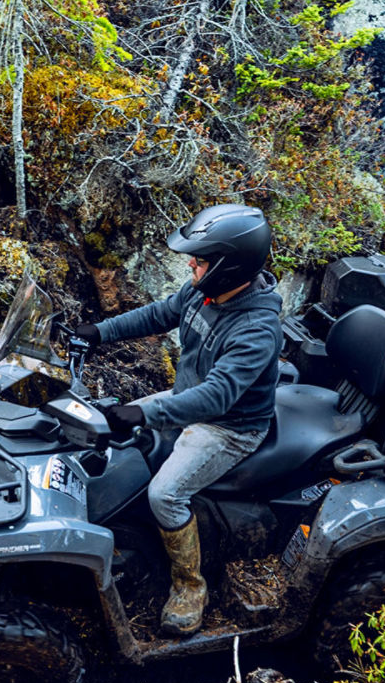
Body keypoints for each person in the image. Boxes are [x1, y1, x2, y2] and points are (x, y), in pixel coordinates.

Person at [71, 204, 282, 635]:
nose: (191, 265)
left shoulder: (256, 329)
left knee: (165, 495)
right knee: (108, 432)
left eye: (199, 260)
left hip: (229, 425)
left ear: (227, 267)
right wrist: (99, 332)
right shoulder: (205, 292)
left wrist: (144, 413)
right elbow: (159, 314)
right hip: (190, 395)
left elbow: (217, 397)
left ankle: (190, 586)